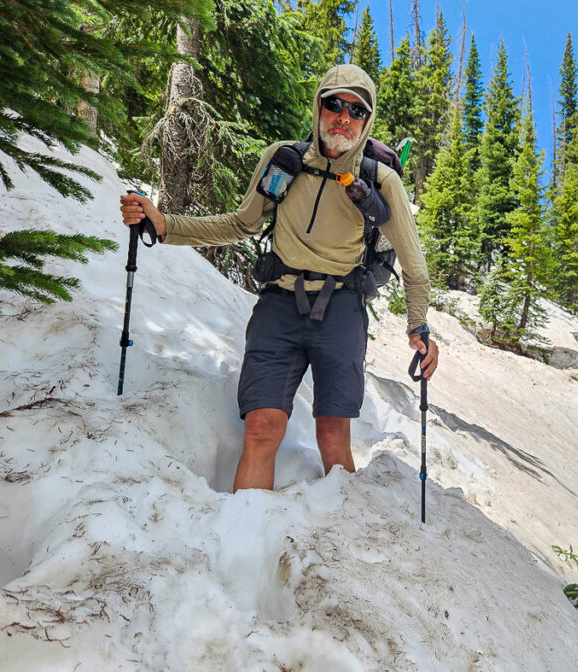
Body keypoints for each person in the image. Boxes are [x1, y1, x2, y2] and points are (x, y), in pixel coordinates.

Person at [119, 64, 438, 491]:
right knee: (261, 429)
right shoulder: (284, 162)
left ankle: (341, 549)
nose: (343, 117)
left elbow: (414, 266)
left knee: (332, 435)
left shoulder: (380, 180)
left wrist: (418, 326)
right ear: (318, 107)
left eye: (356, 111)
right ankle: (244, 537)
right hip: (280, 303)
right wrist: (164, 226)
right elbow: (239, 224)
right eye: (334, 104)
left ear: (367, 121)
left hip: (342, 307)